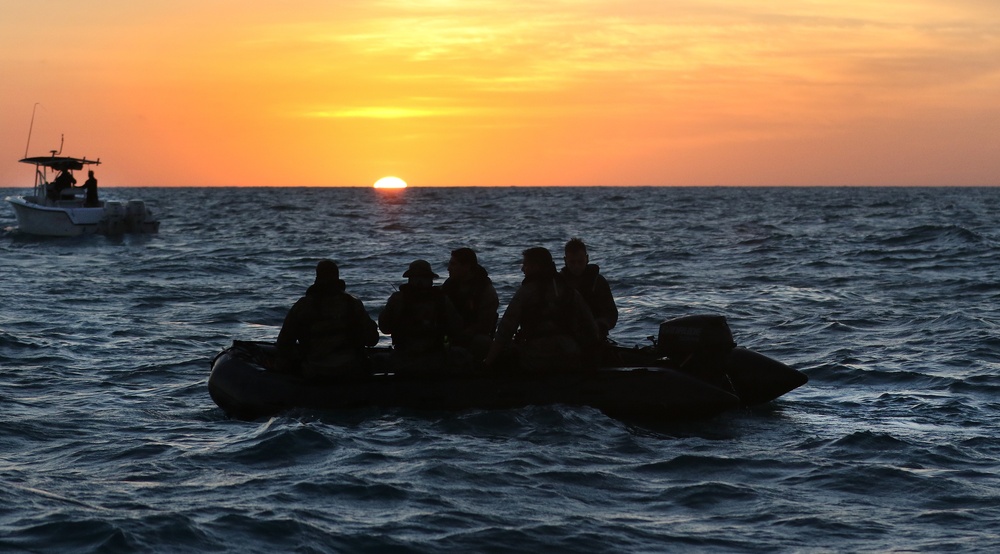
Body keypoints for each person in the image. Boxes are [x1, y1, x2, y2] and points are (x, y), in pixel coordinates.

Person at [484, 247, 599, 372]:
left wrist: (487, 363)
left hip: (536, 357)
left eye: (525, 265)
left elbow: (505, 330)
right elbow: (591, 327)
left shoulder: (525, 293)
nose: (522, 269)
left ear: (535, 267)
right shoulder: (569, 291)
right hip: (570, 355)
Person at [276, 260, 379, 379]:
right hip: (351, 369)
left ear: (317, 278)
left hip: (315, 370)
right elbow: (372, 339)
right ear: (337, 277)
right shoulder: (353, 303)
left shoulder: (302, 306)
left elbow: (284, 344)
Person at [378, 259, 465, 372]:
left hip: (404, 360)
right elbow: (457, 327)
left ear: (410, 279)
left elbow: (384, 328)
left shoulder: (398, 299)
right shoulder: (441, 299)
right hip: (436, 360)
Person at [441, 248, 499, 360]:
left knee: (482, 342)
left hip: (473, 337)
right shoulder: (449, 286)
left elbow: (485, 324)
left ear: (467, 266)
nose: (449, 268)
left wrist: (464, 334)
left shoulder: (485, 290)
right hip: (450, 334)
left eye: (453, 264)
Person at [560, 238, 619, 339]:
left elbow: (611, 314)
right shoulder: (558, 283)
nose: (576, 266)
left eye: (580, 261)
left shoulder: (598, 282)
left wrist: (600, 325)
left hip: (595, 336)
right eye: (572, 262)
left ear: (587, 259)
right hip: (565, 336)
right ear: (565, 261)